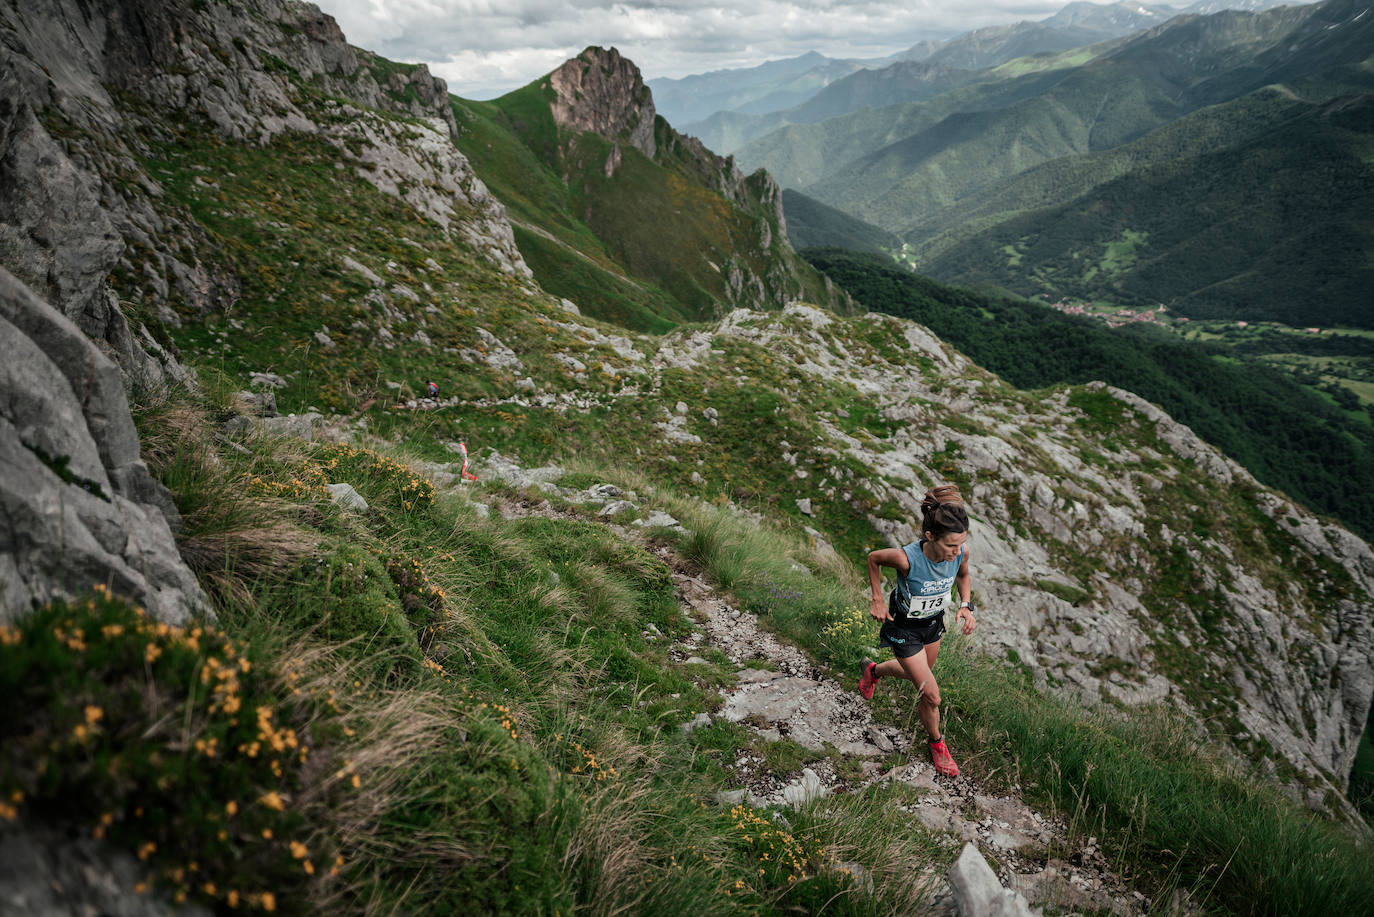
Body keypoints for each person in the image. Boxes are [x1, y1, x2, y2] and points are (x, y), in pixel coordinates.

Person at [857, 484, 977, 776]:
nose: (956, 551)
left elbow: (963, 574)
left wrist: (966, 604)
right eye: (950, 546)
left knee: (917, 674)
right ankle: (937, 744)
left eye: (960, 544)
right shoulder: (906, 558)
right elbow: (874, 558)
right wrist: (876, 598)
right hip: (904, 628)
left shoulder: (960, 553)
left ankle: (873, 671)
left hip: (932, 624)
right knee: (931, 695)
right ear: (930, 537)